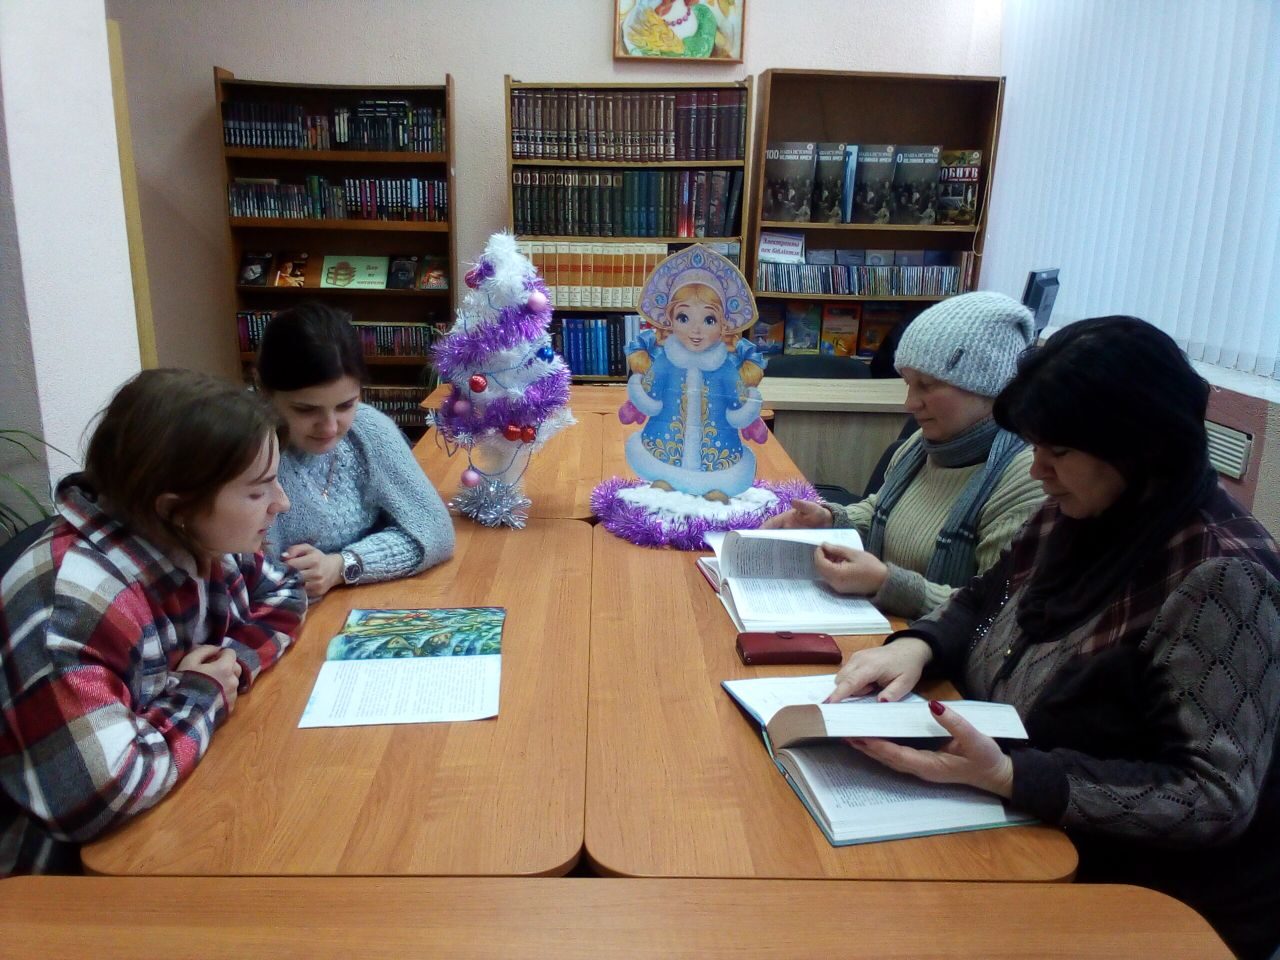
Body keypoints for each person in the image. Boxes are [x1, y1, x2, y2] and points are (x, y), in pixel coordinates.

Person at [829, 317, 1280, 959]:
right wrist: (918, 645)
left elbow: (1213, 796)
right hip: (1013, 817)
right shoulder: (1083, 509)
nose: (1037, 469)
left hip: (1145, 895)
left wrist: (1014, 775)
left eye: (1059, 451)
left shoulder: (1222, 578)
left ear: (1138, 447)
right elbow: (986, 594)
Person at [0, 369, 305, 876]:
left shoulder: (195, 538)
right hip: (55, 879)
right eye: (258, 491)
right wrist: (203, 692)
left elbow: (285, 589)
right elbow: (104, 794)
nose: (282, 503)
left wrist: (231, 663)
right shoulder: (73, 606)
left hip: (172, 804)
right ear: (174, 508)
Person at [764, 292, 1045, 619]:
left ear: (987, 385)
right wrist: (830, 519)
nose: (910, 403)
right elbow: (880, 509)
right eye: (909, 383)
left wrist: (886, 583)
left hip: (927, 643)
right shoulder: (922, 444)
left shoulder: (1027, 479)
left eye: (926, 385)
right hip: (883, 621)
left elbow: (999, 612)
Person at [257, 302, 454, 599]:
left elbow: (436, 531)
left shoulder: (368, 429)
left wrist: (341, 566)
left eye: (345, 405)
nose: (329, 427)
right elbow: (254, 578)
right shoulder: (249, 452)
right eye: (305, 409)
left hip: (366, 600)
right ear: (264, 391)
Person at [620, 244, 766, 502]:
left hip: (718, 449)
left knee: (720, 474)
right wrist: (640, 395)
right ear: (670, 320)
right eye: (684, 318)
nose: (695, 331)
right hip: (665, 444)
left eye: (709, 320)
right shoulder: (666, 361)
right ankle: (666, 480)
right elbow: (651, 396)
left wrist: (748, 411)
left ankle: (716, 488)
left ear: (723, 325)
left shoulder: (725, 367)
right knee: (662, 465)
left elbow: (737, 405)